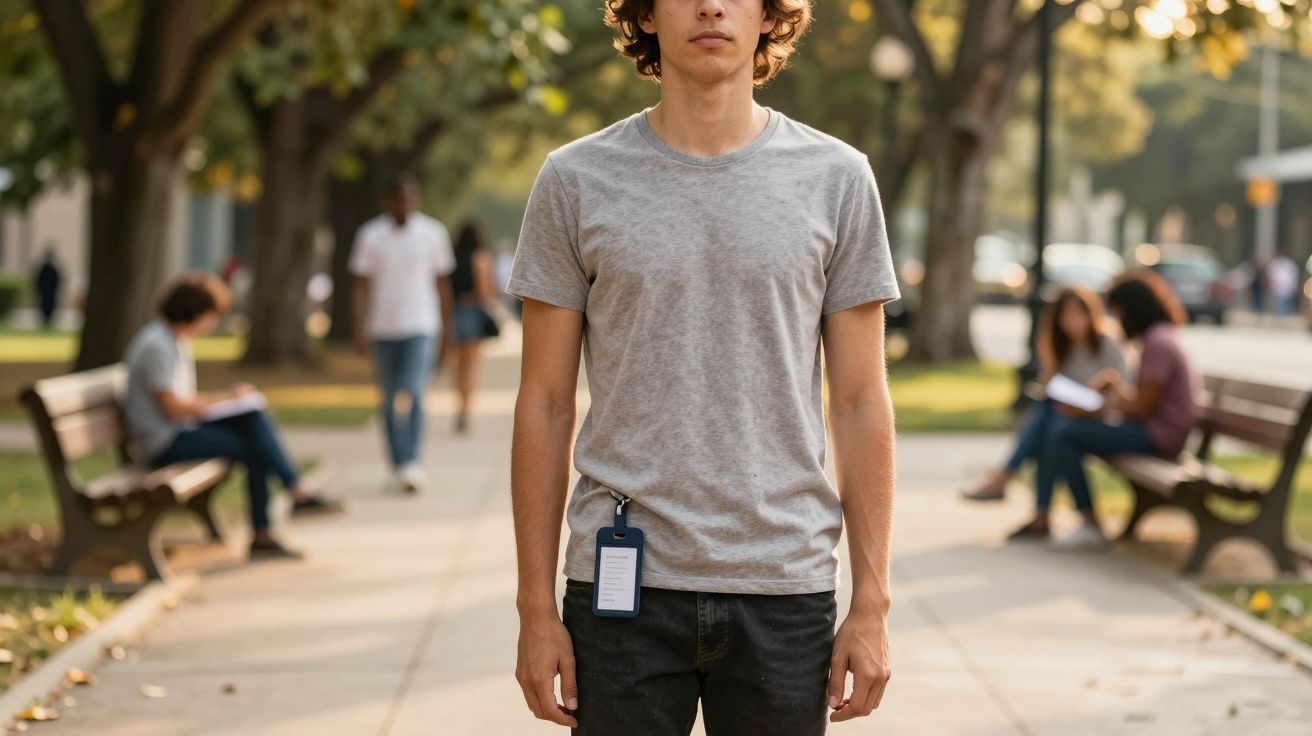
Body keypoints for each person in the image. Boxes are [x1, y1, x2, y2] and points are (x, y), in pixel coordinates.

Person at [510, 2, 898, 733]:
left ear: (770, 16)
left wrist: (872, 600)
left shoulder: (838, 178)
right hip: (619, 589)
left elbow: (859, 400)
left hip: (784, 585)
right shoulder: (574, 179)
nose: (712, 6)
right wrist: (534, 608)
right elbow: (545, 403)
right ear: (647, 16)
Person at [122, 274, 342, 561]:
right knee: (255, 448)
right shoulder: (156, 345)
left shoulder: (174, 340)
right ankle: (274, 520)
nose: (213, 323)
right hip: (163, 441)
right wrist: (226, 398)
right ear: (194, 312)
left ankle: (292, 494)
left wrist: (232, 401)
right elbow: (173, 408)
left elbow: (181, 402)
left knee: (252, 415)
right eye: (212, 315)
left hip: (178, 429)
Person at [1010, 269, 1199, 550]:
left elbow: (1143, 407)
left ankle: (1088, 522)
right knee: (1057, 424)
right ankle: (1053, 515)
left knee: (1064, 433)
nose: (1117, 320)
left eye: (1118, 312)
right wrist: (1113, 389)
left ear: (1132, 310)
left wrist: (1095, 408)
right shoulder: (1159, 337)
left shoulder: (1158, 343)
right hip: (1154, 430)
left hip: (1160, 437)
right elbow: (1145, 399)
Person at [962, 287, 1127, 501]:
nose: (1072, 320)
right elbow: (1051, 387)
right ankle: (1038, 507)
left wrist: (1094, 392)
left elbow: (1122, 390)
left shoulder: (1107, 345)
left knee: (1052, 427)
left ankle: (1007, 480)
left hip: (1100, 416)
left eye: (1078, 313)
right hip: (1067, 416)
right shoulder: (1061, 347)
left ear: (1090, 313)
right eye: (1066, 314)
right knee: (1050, 426)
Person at [350, 174, 456, 494]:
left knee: (414, 392)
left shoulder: (432, 233)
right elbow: (360, 286)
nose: (403, 204)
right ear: (388, 201)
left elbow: (442, 285)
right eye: (398, 198)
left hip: (420, 326)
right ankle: (397, 464)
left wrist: (448, 330)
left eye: (409, 197)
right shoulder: (370, 235)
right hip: (383, 328)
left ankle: (412, 462)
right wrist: (358, 327)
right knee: (387, 400)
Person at [449, 221, 501, 434]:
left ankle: (458, 403)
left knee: (457, 365)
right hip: (472, 313)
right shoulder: (480, 258)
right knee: (471, 365)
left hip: (453, 313)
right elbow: (486, 292)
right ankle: (466, 407)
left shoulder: (452, 257)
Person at [33, 247, 61, 330]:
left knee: (47, 306)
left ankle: (47, 321)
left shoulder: (46, 268)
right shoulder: (49, 269)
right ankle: (46, 321)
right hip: (48, 292)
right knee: (46, 306)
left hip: (47, 292)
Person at [1266, 248, 1300, 317]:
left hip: (1288, 291)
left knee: (1287, 311)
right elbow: (1270, 276)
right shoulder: (1275, 263)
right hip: (1277, 290)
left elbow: (1294, 277)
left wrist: (1294, 288)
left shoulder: (1290, 264)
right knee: (1277, 310)